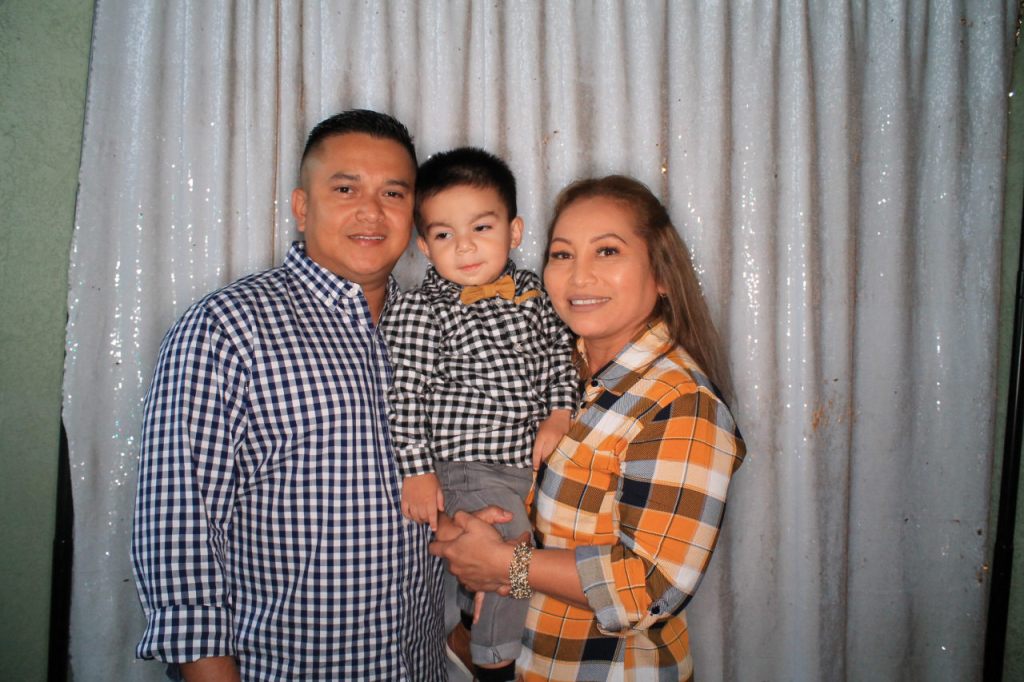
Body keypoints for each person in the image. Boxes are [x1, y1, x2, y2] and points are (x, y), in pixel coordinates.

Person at [130, 110, 447, 681]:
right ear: (302, 207)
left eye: (393, 193)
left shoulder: (437, 328)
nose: (371, 211)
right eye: (346, 189)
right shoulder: (228, 328)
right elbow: (179, 534)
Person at [430, 175, 746, 681]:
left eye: (607, 251)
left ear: (662, 275)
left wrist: (507, 565)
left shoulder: (679, 403)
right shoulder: (552, 371)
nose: (579, 275)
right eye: (562, 254)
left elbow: (651, 588)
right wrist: (466, 537)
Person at [381, 147, 577, 681]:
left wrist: (560, 411)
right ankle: (493, 661)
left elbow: (560, 358)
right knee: (515, 556)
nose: (464, 246)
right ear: (424, 246)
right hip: (469, 464)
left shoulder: (534, 294)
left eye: (481, 228)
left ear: (514, 232)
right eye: (444, 234)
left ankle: (468, 630)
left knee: (514, 556)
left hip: (525, 467)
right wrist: (417, 471)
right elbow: (406, 393)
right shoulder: (422, 308)